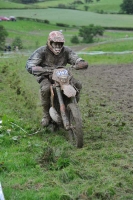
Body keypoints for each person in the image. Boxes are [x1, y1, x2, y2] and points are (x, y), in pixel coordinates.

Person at [26, 31, 88, 127]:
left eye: (60, 44)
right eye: (55, 44)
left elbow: (74, 57)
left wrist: (80, 62)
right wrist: (35, 68)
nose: (58, 47)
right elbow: (30, 63)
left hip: (62, 75)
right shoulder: (42, 51)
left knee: (77, 84)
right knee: (46, 89)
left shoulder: (66, 51)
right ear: (50, 43)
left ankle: (72, 107)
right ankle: (46, 115)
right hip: (45, 75)